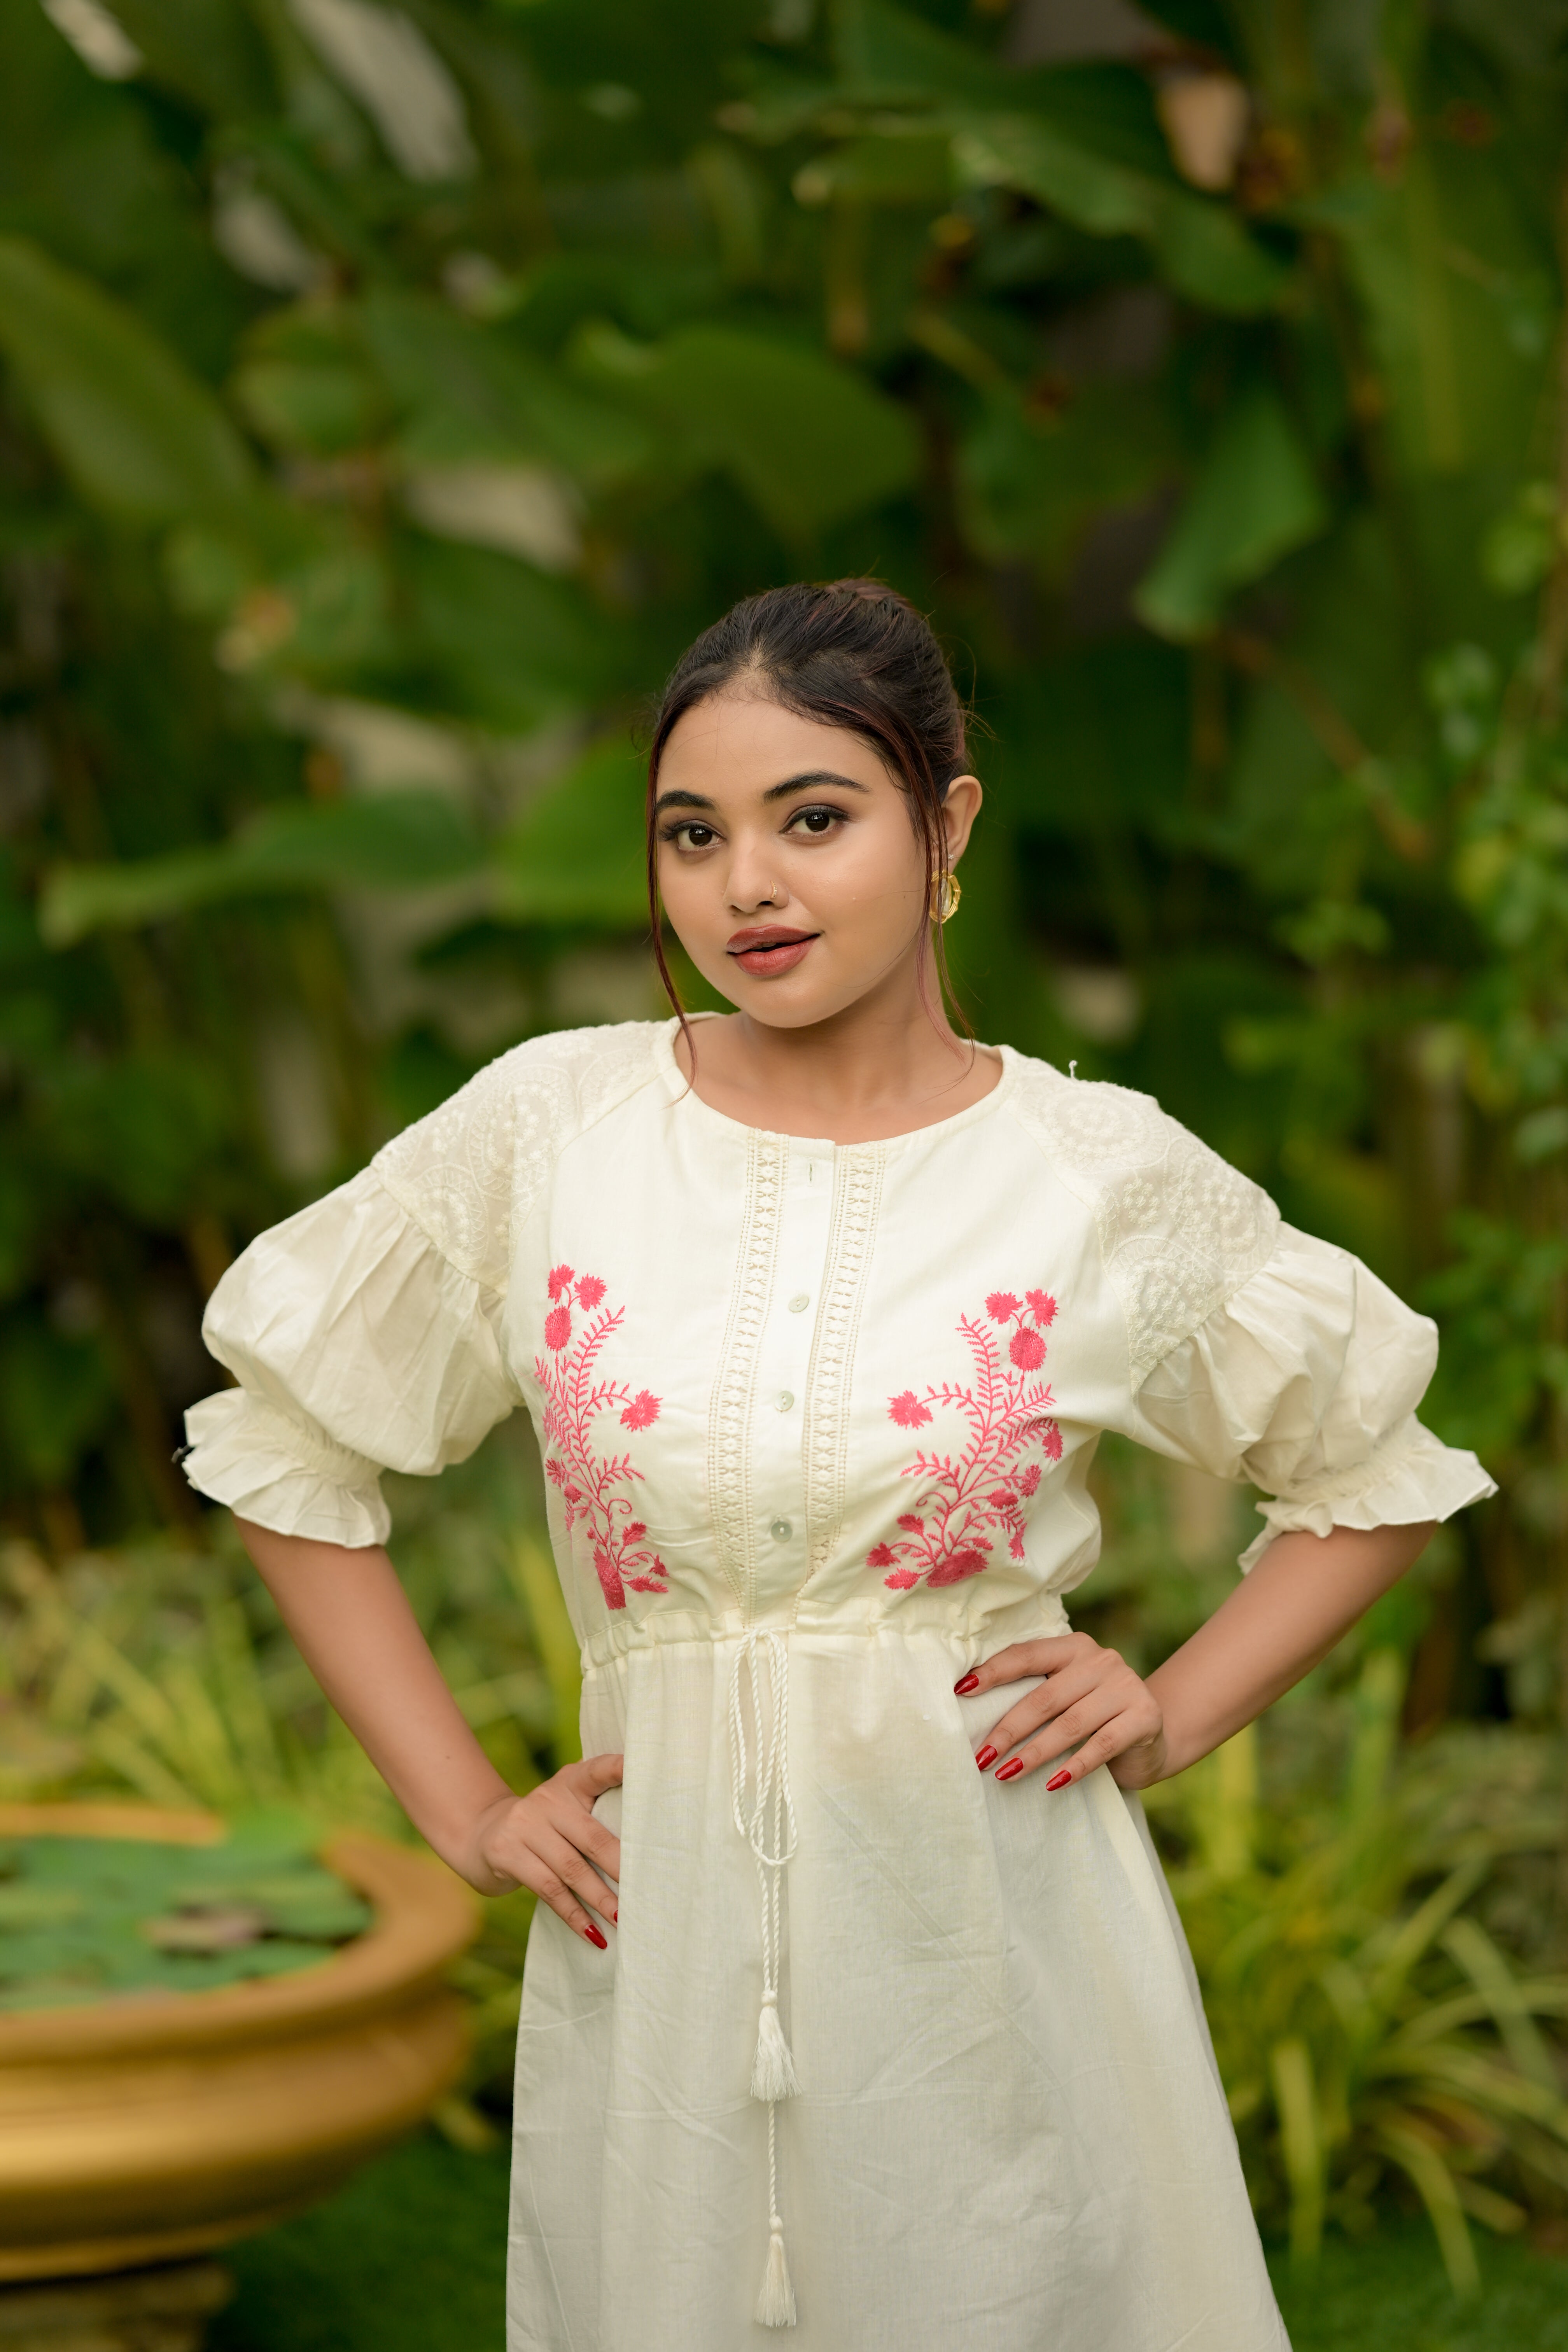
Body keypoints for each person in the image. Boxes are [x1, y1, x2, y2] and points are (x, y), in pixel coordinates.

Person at [180, 580, 1494, 2352]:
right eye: (692, 834)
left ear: (944, 826)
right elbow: (282, 1441)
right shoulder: (551, 1133)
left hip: (998, 1951)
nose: (748, 885)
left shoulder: (1094, 1173)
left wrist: (1172, 1711)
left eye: (815, 818)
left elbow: (1374, 1471)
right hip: (659, 1965)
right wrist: (468, 1814)